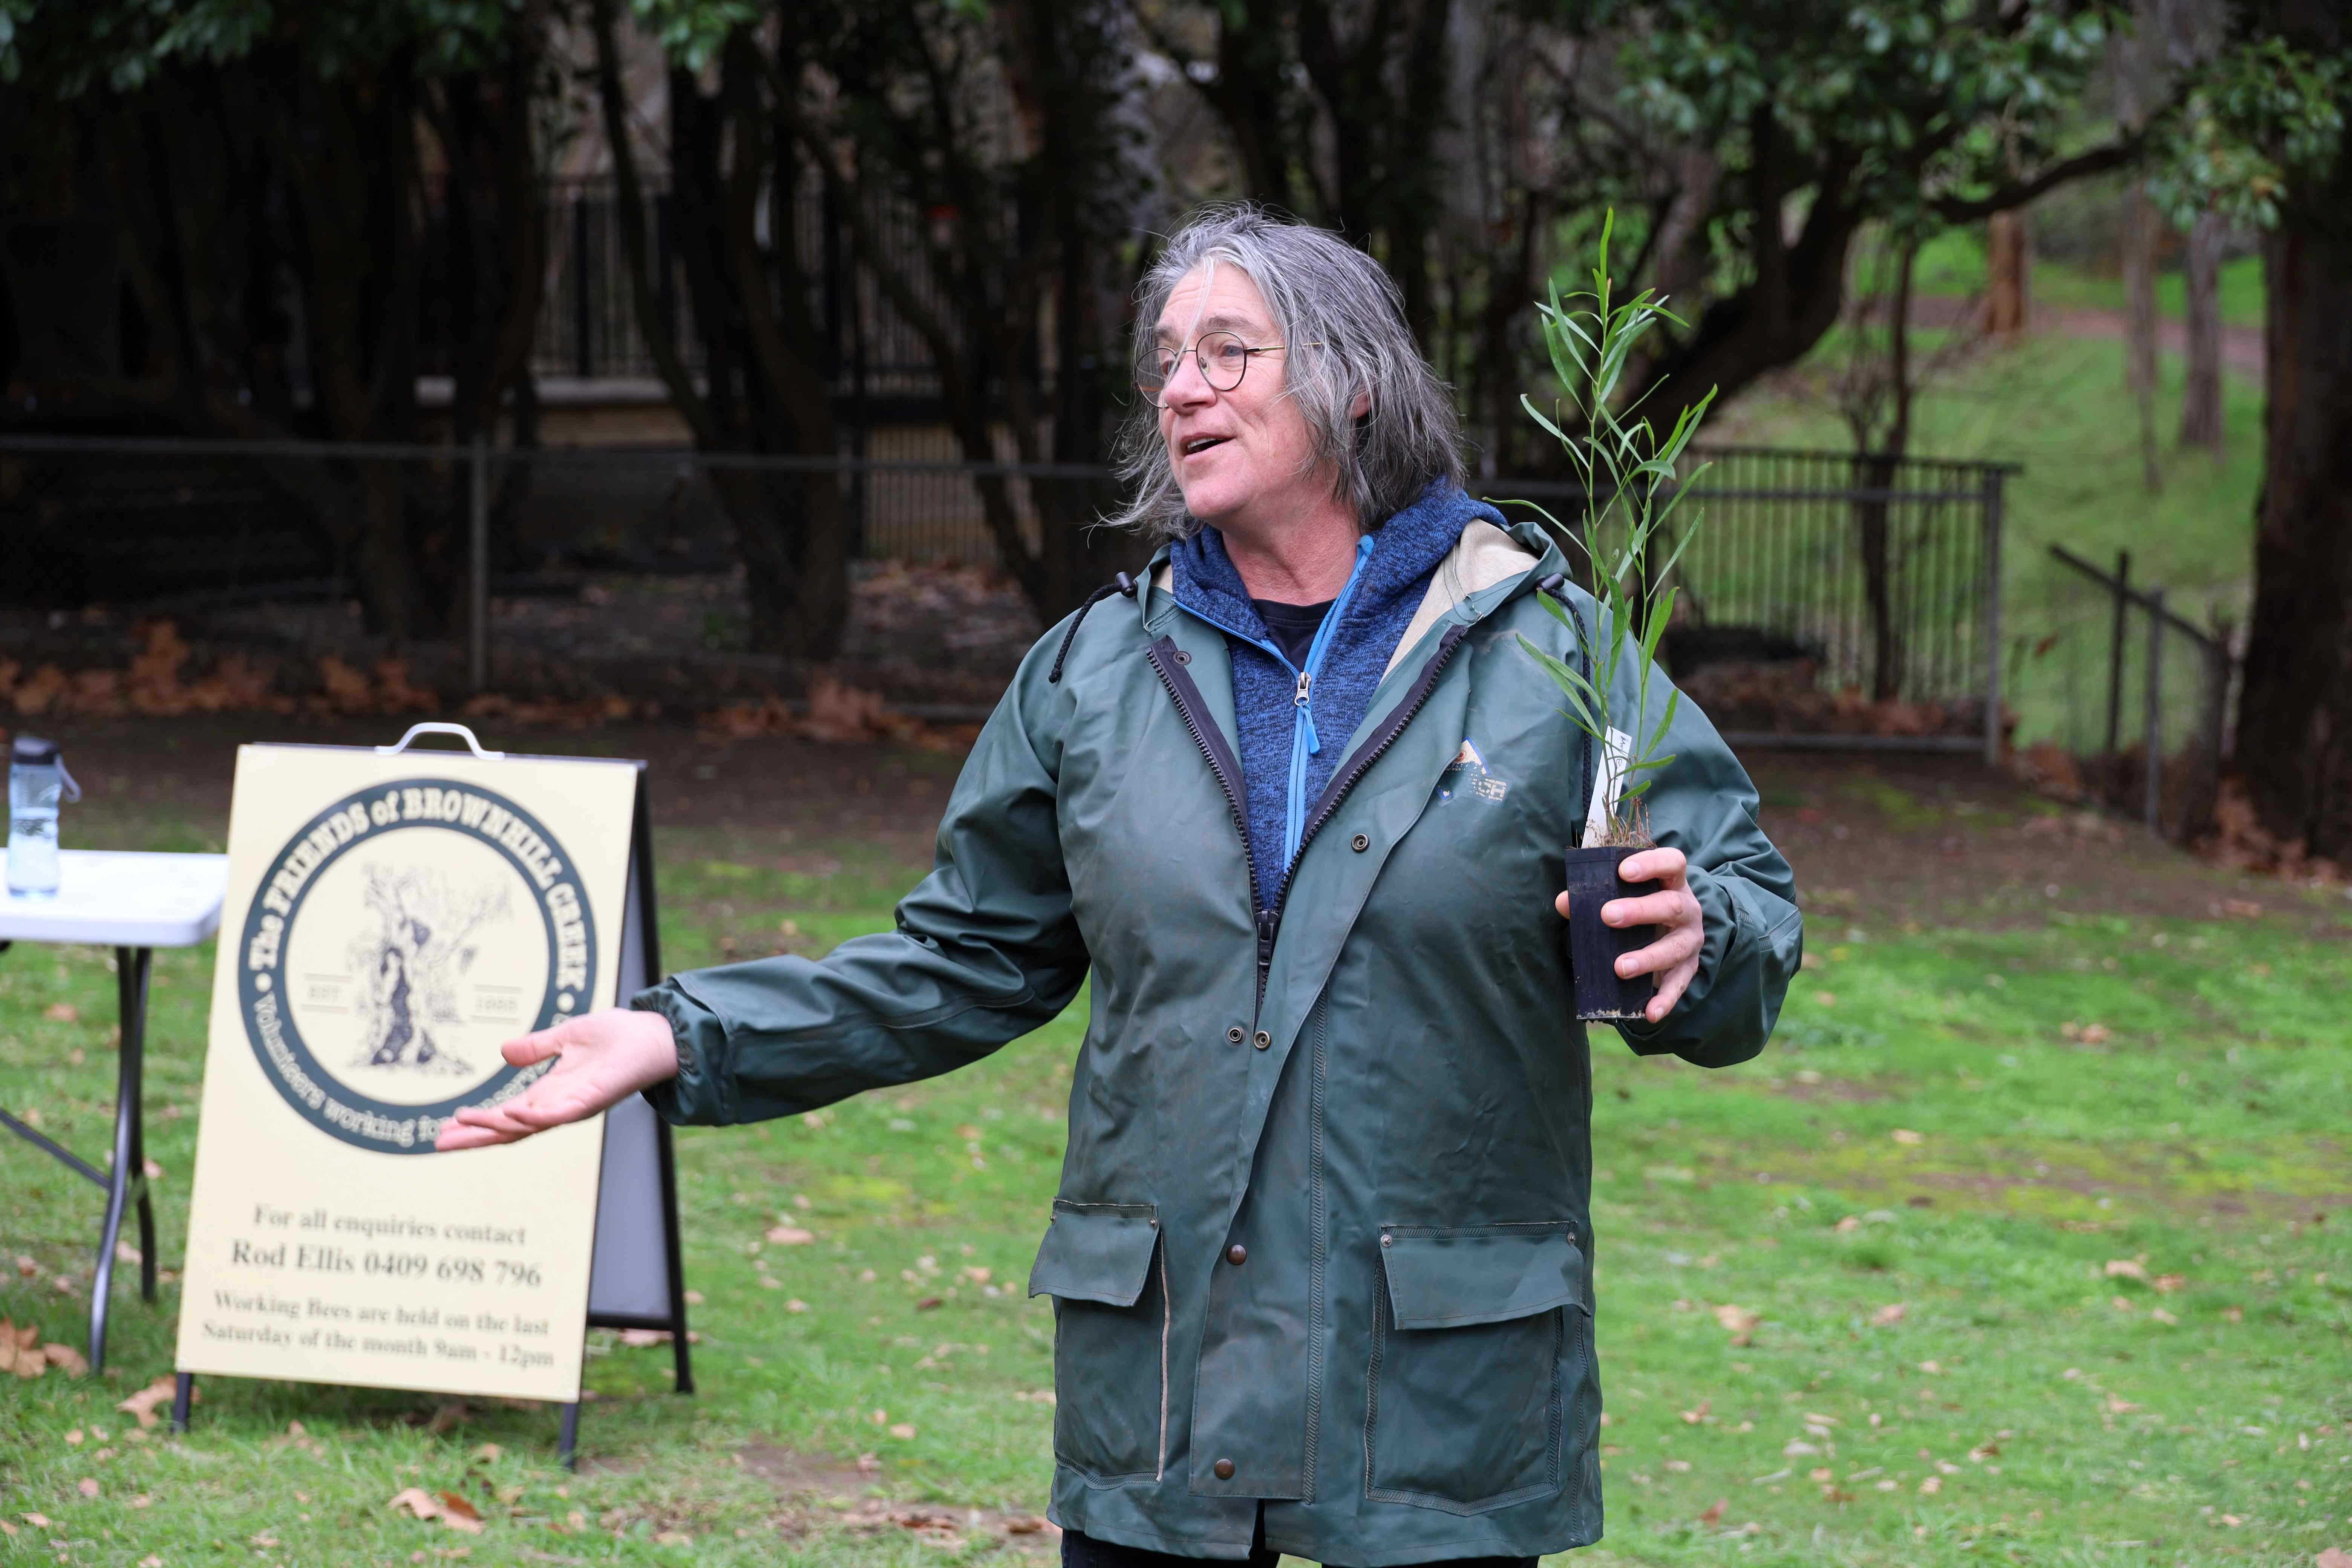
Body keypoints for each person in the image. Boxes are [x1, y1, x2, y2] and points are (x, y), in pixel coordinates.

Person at [440, 203, 1801, 1566]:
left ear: (1356, 381)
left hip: (1437, 1396)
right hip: (1166, 1395)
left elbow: (1744, 914)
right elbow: (962, 958)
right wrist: (682, 1032)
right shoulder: (1096, 673)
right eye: (1166, 359)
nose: (1179, 388)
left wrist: (1702, 938)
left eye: (1228, 352)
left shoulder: (1547, 654)